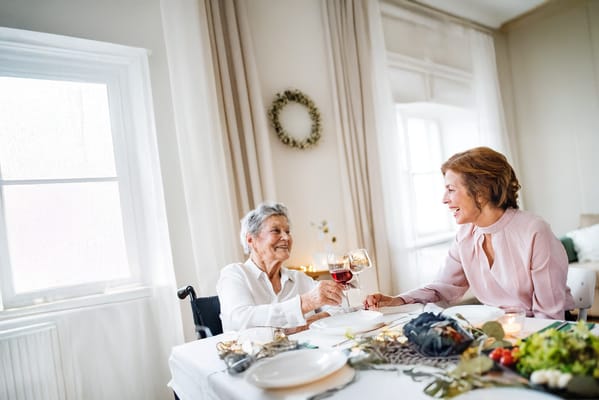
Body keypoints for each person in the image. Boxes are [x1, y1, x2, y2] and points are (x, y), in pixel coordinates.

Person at [365, 147, 574, 320]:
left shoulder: (534, 231)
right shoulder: (465, 234)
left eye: (451, 189)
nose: (444, 199)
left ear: (481, 193)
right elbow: (443, 287)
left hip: (541, 330)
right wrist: (397, 301)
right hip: (498, 330)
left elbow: (549, 316)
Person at [217, 202, 344, 332]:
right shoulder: (234, 274)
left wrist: (312, 321)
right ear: (251, 240)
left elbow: (338, 307)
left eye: (287, 231)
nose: (286, 237)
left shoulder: (298, 277)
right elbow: (241, 321)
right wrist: (305, 303)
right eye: (275, 231)